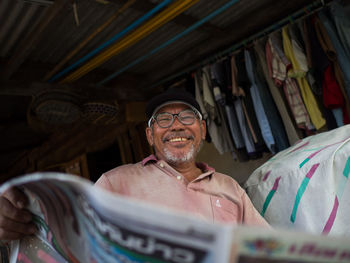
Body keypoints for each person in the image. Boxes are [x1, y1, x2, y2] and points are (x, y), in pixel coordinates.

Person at [0, 89, 268, 241]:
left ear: (202, 128)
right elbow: (70, 234)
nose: (176, 125)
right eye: (163, 119)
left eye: (187, 116)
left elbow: (264, 248)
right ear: (149, 136)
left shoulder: (229, 187)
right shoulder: (116, 182)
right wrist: (16, 217)